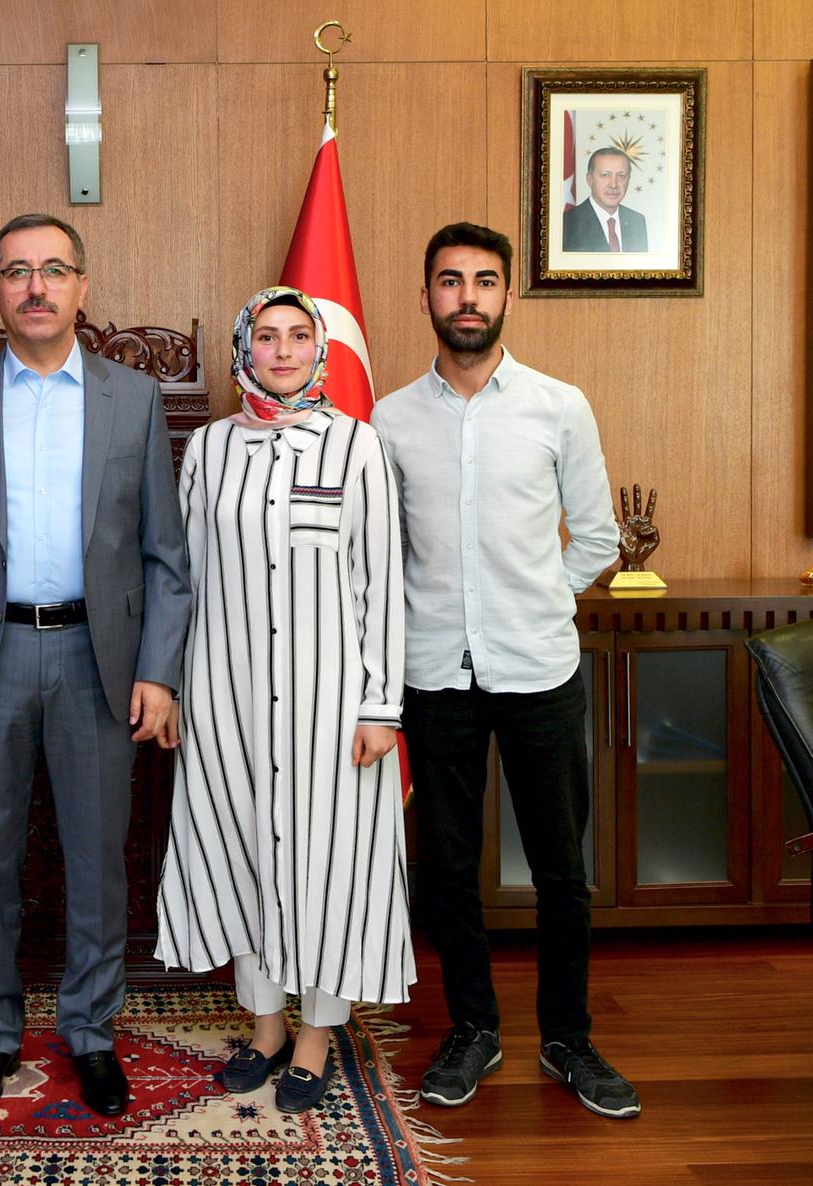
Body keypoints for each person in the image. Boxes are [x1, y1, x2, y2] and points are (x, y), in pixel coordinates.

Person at [0, 213, 191, 1118]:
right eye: (18, 271)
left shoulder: (132, 398)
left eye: (54, 270)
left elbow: (165, 555)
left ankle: (91, 1032)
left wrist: (159, 671)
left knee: (98, 857)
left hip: (97, 658)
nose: (36, 287)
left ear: (81, 287)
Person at [370, 223, 637, 1119]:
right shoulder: (390, 420)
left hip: (539, 672)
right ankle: (473, 1029)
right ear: (426, 298)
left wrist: (535, 601)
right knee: (447, 869)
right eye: (450, 281)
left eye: (485, 281)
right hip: (434, 674)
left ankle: (569, 1038)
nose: (468, 297)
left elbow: (596, 536)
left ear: (507, 295)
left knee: (561, 870)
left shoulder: (561, 406)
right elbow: (381, 552)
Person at [155, 286, 411, 1114]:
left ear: (319, 349)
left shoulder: (358, 446)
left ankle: (315, 1038)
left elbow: (379, 583)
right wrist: (177, 689)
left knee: (328, 866)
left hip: (329, 706)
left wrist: (380, 705)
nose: (284, 351)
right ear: (246, 351)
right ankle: (266, 1028)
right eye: (267, 337)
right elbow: (186, 576)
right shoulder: (210, 448)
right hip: (224, 697)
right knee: (244, 858)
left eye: (300, 336)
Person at [562, 147, 649, 252]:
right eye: (605, 175)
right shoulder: (567, 223)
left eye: (621, 176)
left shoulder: (637, 221)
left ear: (628, 180)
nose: (614, 185)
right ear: (590, 179)